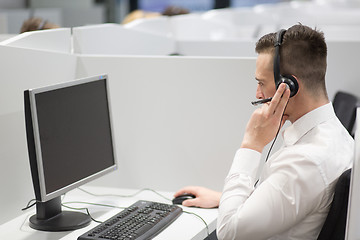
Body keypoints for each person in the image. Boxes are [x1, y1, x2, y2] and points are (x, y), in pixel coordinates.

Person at [174, 24, 354, 240]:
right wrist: (224, 199)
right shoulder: (334, 133)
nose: (257, 93)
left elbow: (229, 232)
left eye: (261, 83)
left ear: (288, 87)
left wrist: (251, 145)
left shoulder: (304, 162)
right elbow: (291, 202)